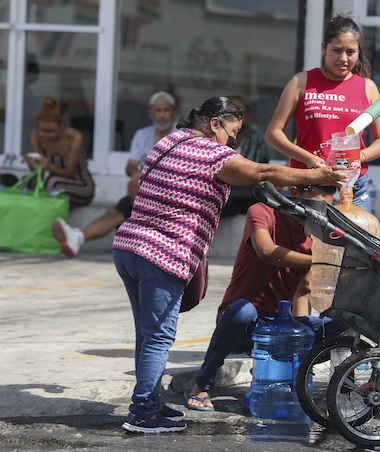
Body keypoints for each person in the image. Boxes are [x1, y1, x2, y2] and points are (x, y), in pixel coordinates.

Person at [112, 96, 345, 434]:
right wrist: (316, 172)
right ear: (215, 123)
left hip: (129, 246)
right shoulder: (211, 153)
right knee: (159, 337)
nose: (234, 140)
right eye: (232, 131)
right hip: (160, 253)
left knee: (147, 335)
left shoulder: (169, 141)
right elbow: (261, 172)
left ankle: (149, 401)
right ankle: (143, 413)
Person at [185, 184, 345, 410]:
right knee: (243, 311)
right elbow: (266, 251)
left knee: (340, 331)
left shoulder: (315, 236)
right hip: (243, 324)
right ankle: (201, 386)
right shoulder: (262, 212)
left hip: (280, 327)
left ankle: (294, 378)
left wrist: (300, 337)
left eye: (322, 210)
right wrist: (319, 260)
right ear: (295, 193)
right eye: (312, 206)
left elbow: (303, 290)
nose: (315, 215)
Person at [265, 14, 380, 212]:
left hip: (352, 188)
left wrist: (358, 155)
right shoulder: (301, 82)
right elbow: (273, 133)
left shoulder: (368, 87)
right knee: (307, 244)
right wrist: (309, 159)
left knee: (354, 244)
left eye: (351, 52)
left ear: (358, 53)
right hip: (308, 185)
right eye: (337, 50)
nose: (343, 58)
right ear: (323, 48)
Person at [51, 91, 178, 257]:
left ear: (173, 112)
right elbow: (130, 166)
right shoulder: (142, 135)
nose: (162, 115)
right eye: (158, 110)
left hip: (172, 196)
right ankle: (77, 238)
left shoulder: (181, 135)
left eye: (166, 110)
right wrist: (136, 174)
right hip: (144, 193)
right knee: (114, 213)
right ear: (150, 113)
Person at [23, 96, 94, 207]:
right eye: (42, 131)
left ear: (61, 125)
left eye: (51, 131)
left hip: (80, 186)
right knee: (28, 180)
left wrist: (50, 167)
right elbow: (40, 173)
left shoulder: (74, 137)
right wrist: (32, 164)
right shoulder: (36, 135)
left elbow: (69, 173)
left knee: (52, 183)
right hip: (52, 183)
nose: (46, 135)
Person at [220, 95, 272, 218]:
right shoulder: (215, 135)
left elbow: (258, 170)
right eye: (231, 113)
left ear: (248, 116)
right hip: (217, 201)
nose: (236, 118)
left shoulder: (255, 139)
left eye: (240, 113)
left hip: (244, 202)